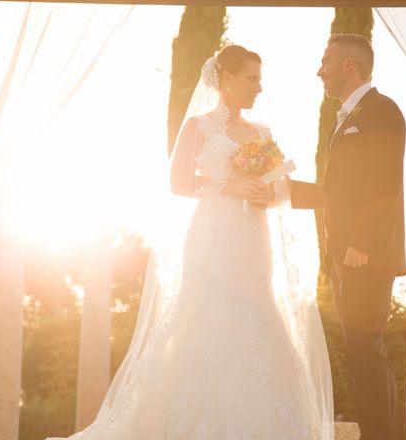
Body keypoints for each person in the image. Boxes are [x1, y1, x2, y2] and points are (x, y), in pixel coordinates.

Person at [47, 44, 333, 439]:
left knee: (260, 316)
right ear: (227, 80)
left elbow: (278, 184)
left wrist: (269, 192)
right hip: (212, 239)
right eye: (252, 78)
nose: (259, 87)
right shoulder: (198, 127)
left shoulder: (261, 132)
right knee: (205, 316)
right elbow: (178, 182)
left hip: (254, 243)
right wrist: (230, 186)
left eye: (260, 80)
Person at [290, 34, 406, 440]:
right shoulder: (344, 118)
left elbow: (385, 185)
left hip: (366, 254)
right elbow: (337, 193)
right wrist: (282, 190)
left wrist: (361, 243)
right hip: (346, 256)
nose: (319, 70)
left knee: (366, 351)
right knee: (363, 353)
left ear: (348, 65)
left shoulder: (383, 111)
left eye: (325, 61)